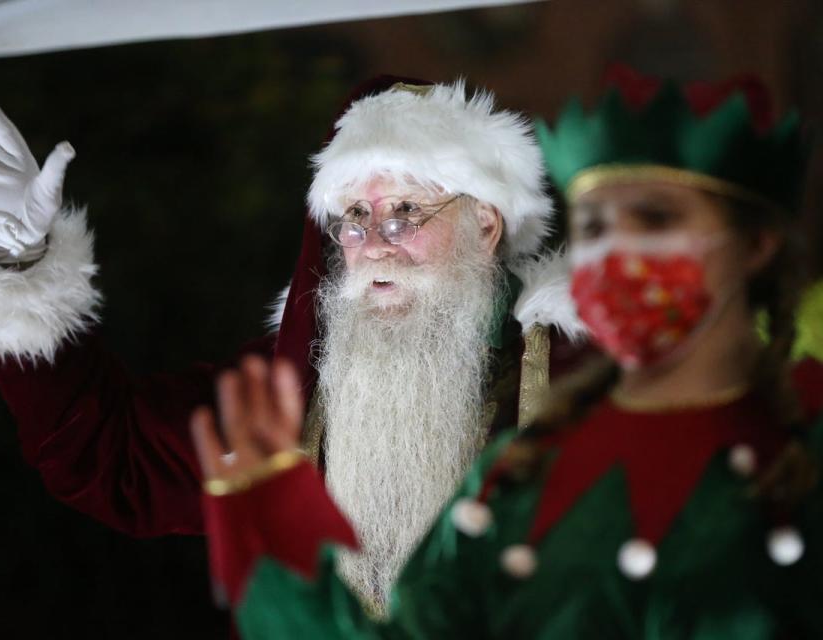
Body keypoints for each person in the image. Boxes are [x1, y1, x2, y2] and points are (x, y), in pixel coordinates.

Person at [192, 66, 823, 637]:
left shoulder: (804, 446)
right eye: (595, 227)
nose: (614, 255)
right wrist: (274, 540)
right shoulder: (517, 475)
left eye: (653, 220)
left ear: (756, 245)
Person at [0, 76, 584, 610]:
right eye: (354, 217)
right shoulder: (286, 399)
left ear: (487, 223)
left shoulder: (590, 376)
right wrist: (17, 264)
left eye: (406, 212)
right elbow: (105, 452)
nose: (377, 242)